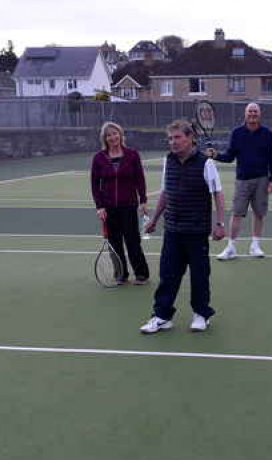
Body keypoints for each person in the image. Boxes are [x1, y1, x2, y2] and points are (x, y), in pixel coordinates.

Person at [141, 120, 227, 334]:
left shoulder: (206, 163)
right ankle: (161, 316)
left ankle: (201, 314)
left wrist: (219, 223)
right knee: (167, 275)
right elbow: (165, 193)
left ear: (190, 138)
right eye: (170, 138)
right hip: (172, 230)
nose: (173, 142)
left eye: (178, 137)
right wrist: (154, 219)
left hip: (197, 231)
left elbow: (217, 193)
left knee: (199, 275)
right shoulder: (167, 162)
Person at [209, 102, 272, 260]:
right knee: (237, 213)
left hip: (262, 179)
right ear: (245, 114)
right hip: (242, 180)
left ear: (259, 114)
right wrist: (216, 155)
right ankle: (231, 248)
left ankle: (255, 246)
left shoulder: (267, 133)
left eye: (255, 111)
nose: (252, 114)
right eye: (250, 111)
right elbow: (230, 156)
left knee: (259, 214)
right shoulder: (237, 133)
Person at [90, 121, 150, 285]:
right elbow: (95, 184)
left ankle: (141, 274)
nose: (112, 137)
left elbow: (139, 179)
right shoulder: (99, 158)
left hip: (129, 205)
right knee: (114, 243)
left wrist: (143, 200)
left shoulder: (132, 154)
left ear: (121, 135)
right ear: (105, 138)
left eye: (115, 133)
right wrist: (100, 206)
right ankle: (121, 274)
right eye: (108, 135)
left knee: (132, 241)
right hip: (109, 208)